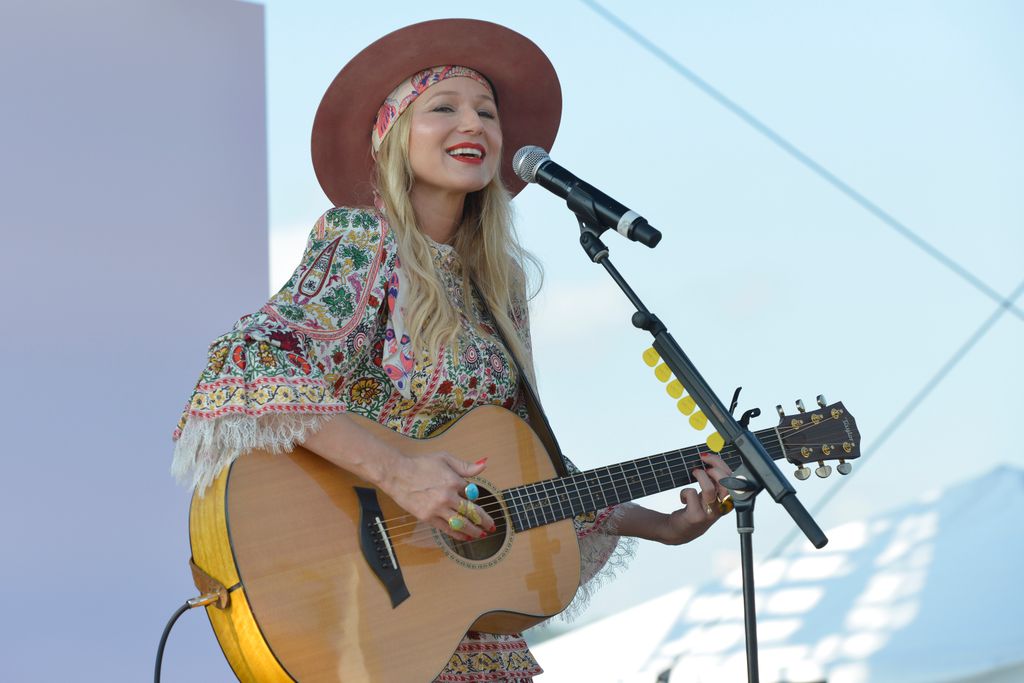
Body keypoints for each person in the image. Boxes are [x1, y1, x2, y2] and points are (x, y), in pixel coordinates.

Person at [172, 18, 733, 682]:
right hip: (369, 624)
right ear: (392, 134)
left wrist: (659, 524)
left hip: (469, 637)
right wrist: (397, 472)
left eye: (488, 112)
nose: (475, 123)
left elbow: (520, 475)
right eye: (444, 106)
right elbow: (249, 360)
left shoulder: (497, 286)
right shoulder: (361, 240)